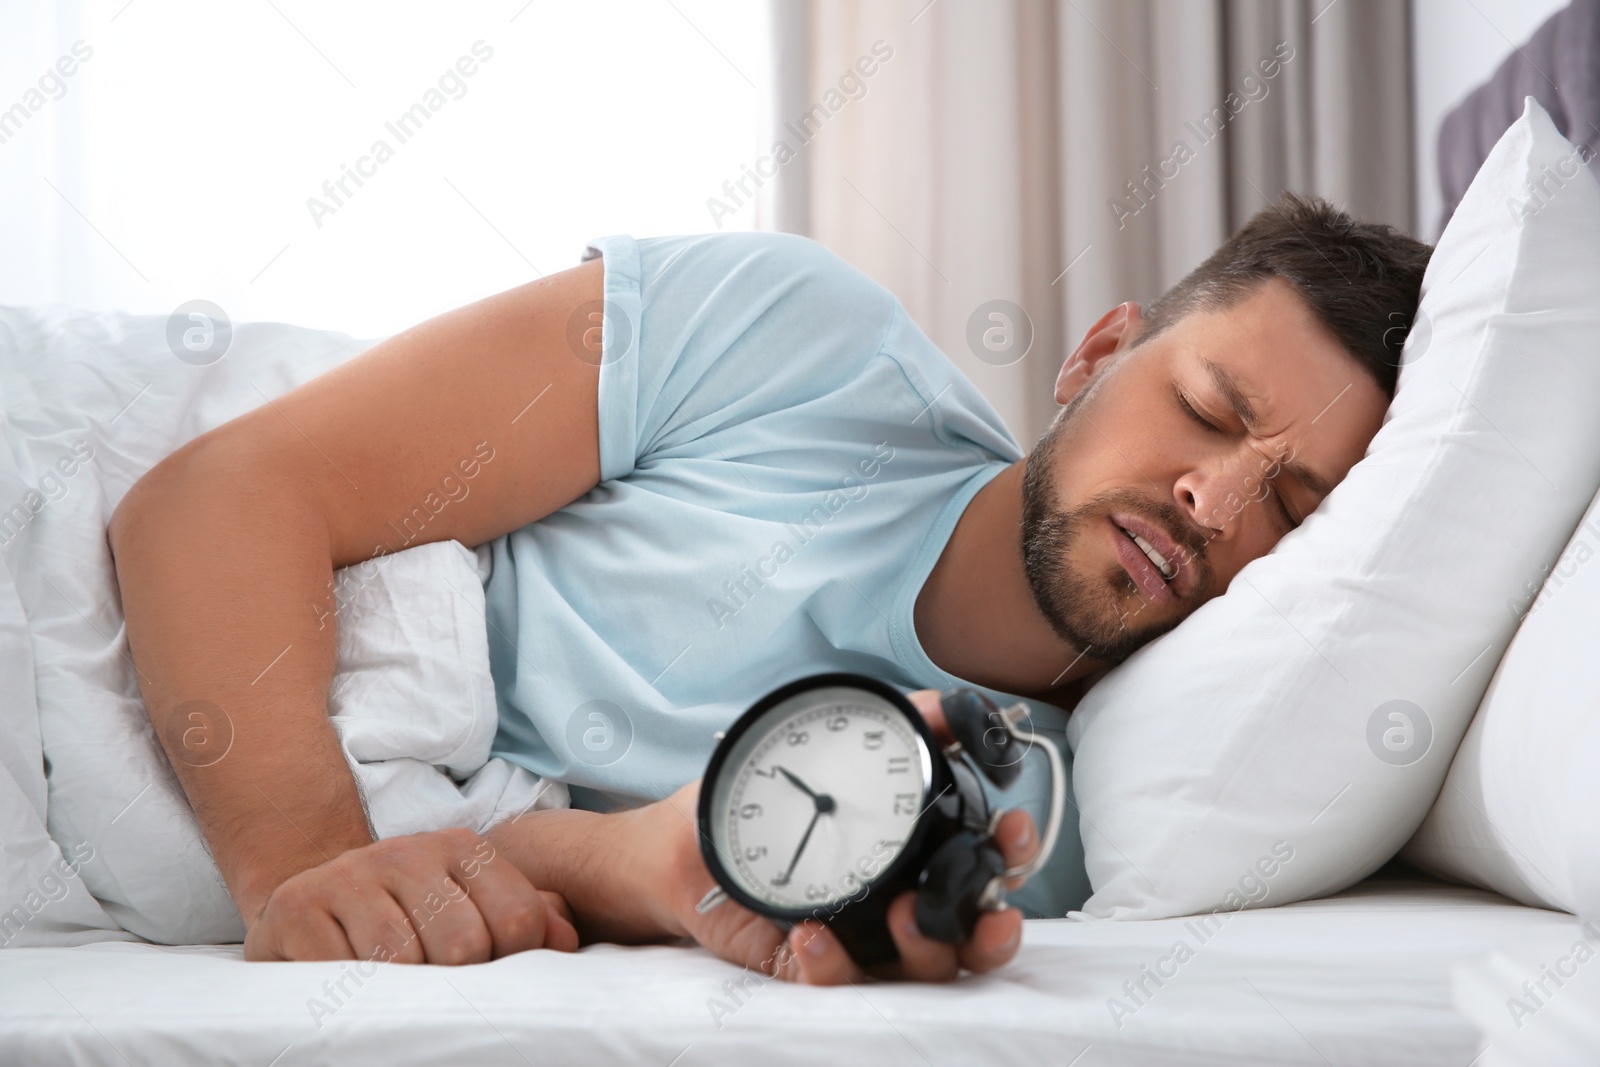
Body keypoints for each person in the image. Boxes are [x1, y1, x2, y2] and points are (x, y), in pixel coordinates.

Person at [107, 193, 1431, 984]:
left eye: (1300, 508)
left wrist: (631, 869)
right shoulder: (800, 338)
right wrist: (307, 871)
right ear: (1095, 354)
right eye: (1206, 410)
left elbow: (543, 864)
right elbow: (215, 502)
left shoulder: (1054, 826)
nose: (1218, 499)